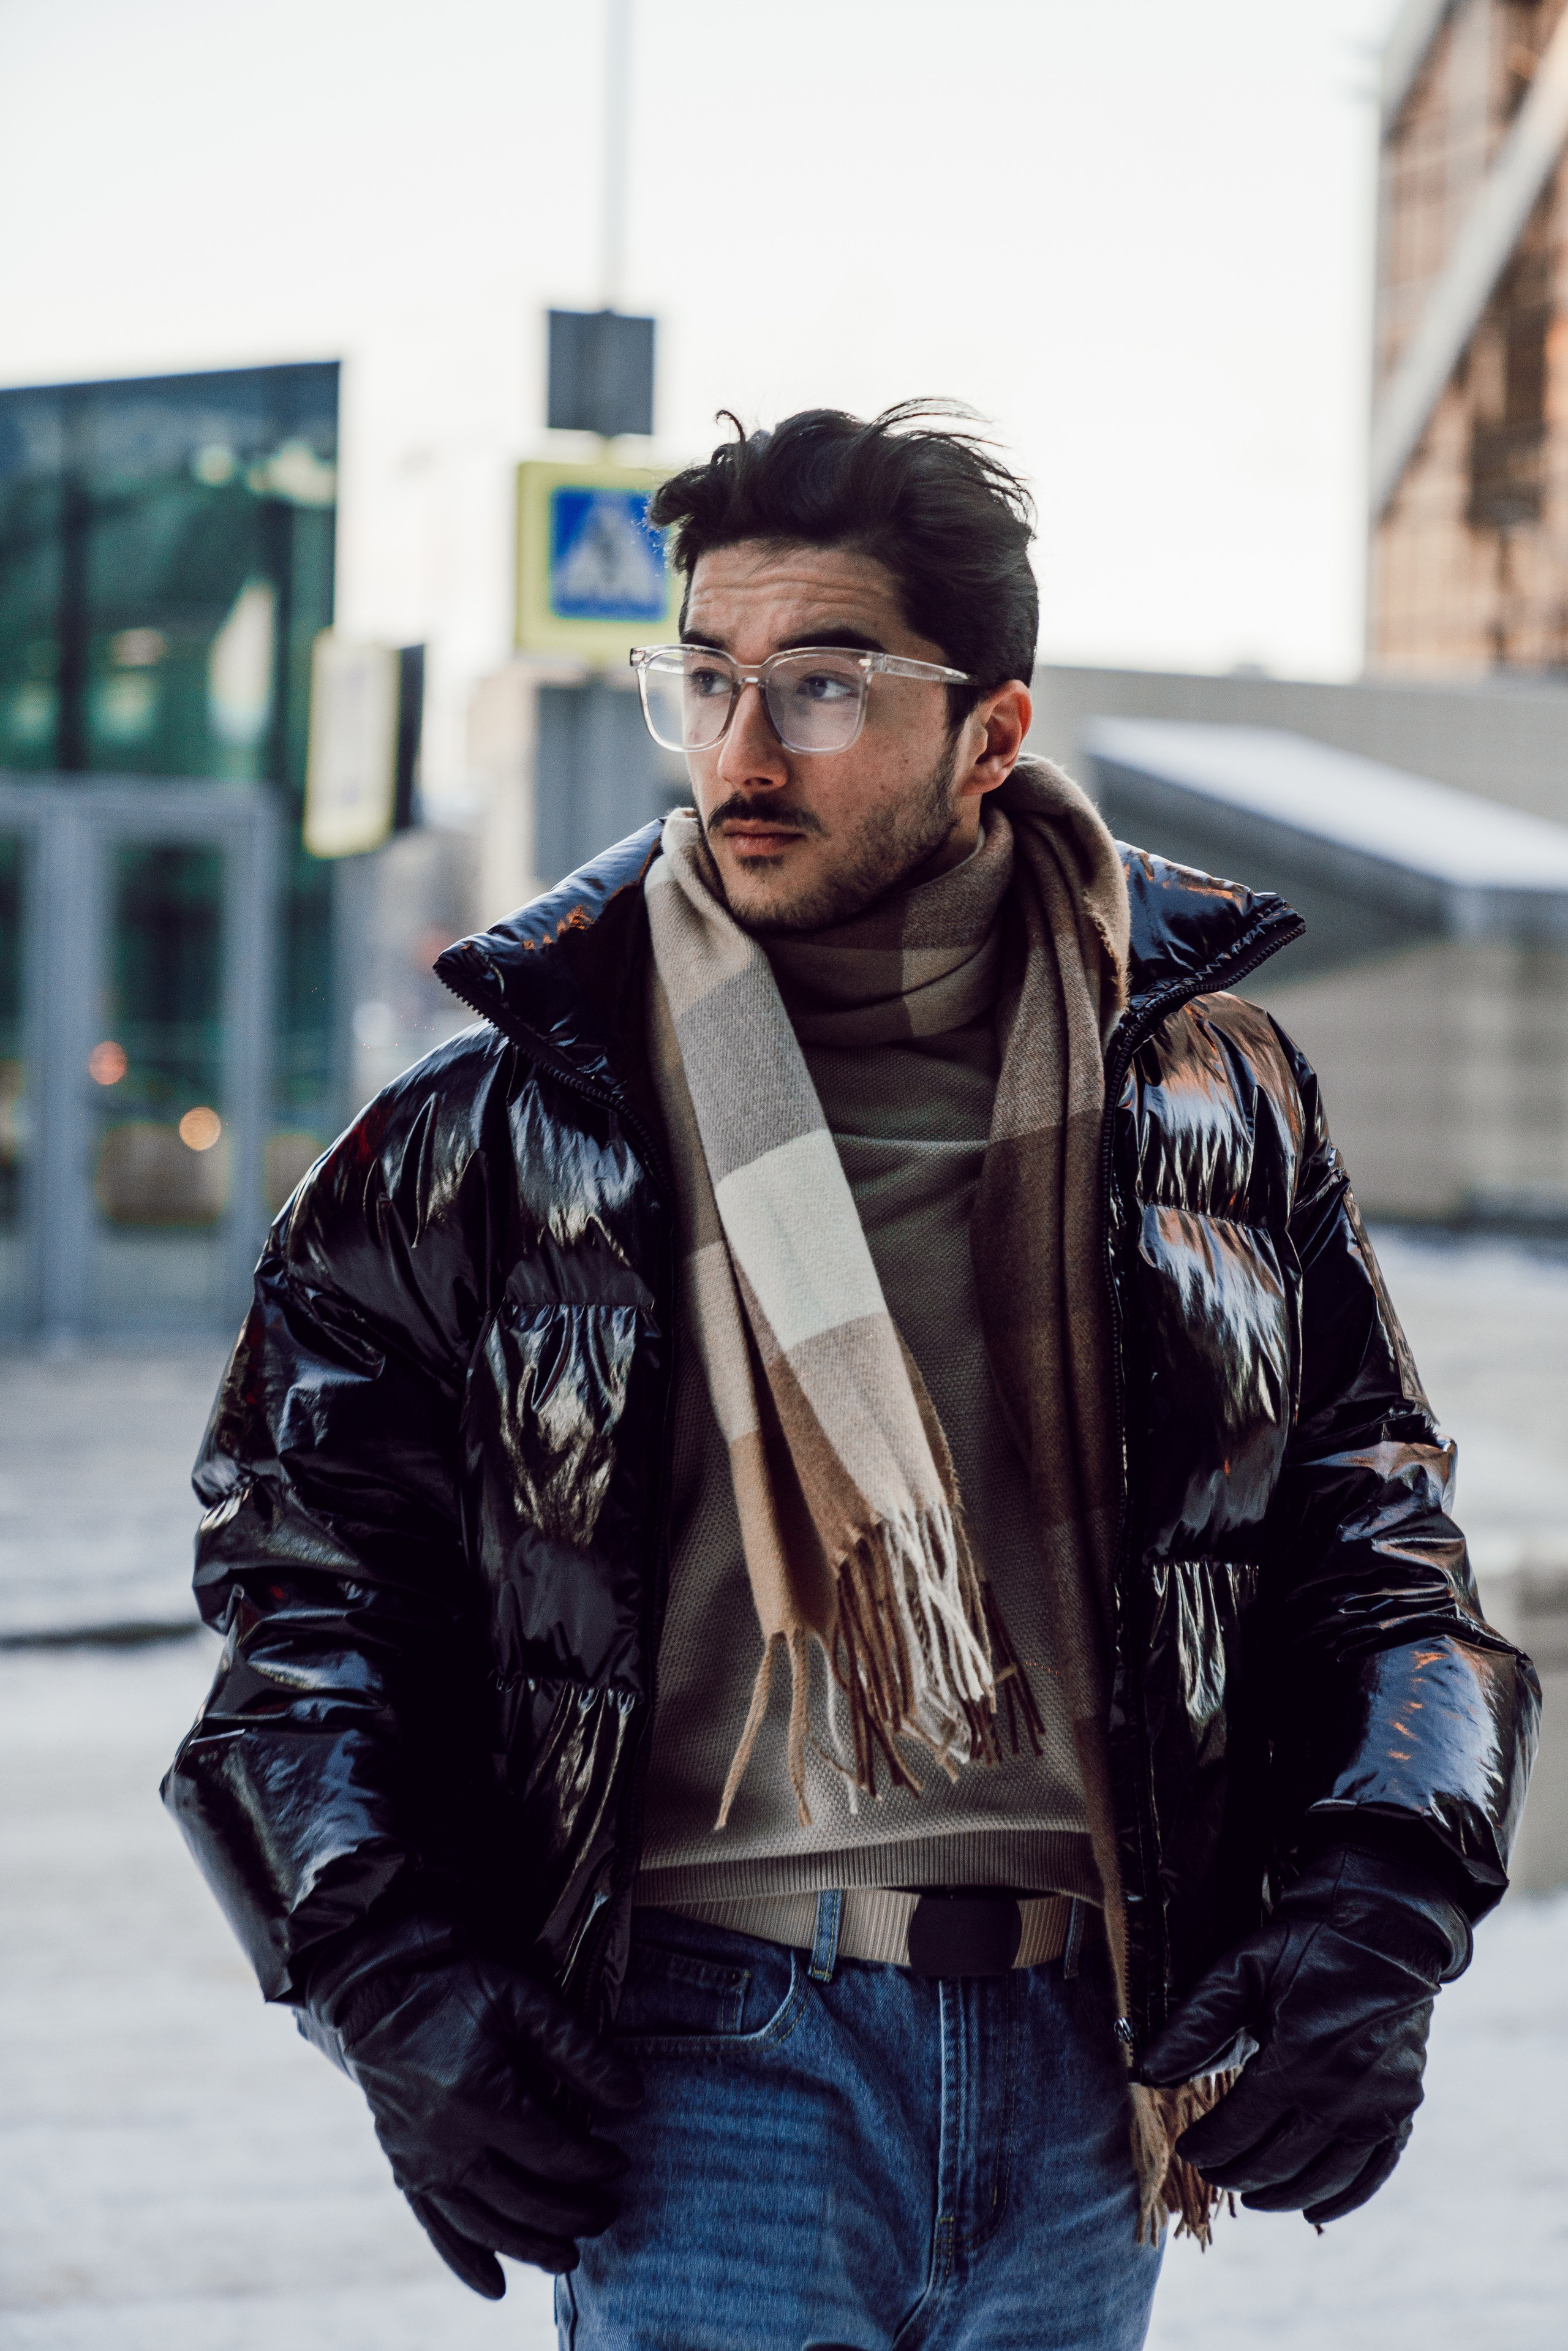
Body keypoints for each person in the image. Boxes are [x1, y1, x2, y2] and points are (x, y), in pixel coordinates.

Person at [164, 406, 1539, 2351]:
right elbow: (303, 1594)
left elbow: (1377, 1550)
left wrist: (1381, 1911)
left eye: (821, 687)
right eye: (706, 680)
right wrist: (386, 1972)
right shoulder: (508, 1116)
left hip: (1094, 2067)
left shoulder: (1209, 1095)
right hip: (705, 2065)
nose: (738, 751)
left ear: (991, 730)